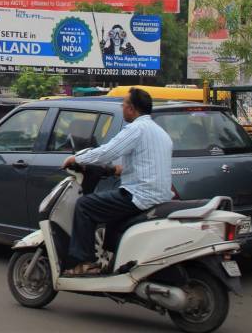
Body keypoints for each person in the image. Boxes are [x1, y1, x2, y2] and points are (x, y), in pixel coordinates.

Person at [60, 88, 173, 276]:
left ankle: (85, 261)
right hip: (160, 196)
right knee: (112, 213)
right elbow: (141, 162)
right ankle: (113, 259)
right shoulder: (161, 133)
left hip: (139, 195)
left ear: (131, 108)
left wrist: (77, 160)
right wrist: (115, 170)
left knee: (84, 205)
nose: (122, 108)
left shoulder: (136, 128)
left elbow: (107, 152)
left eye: (123, 105)